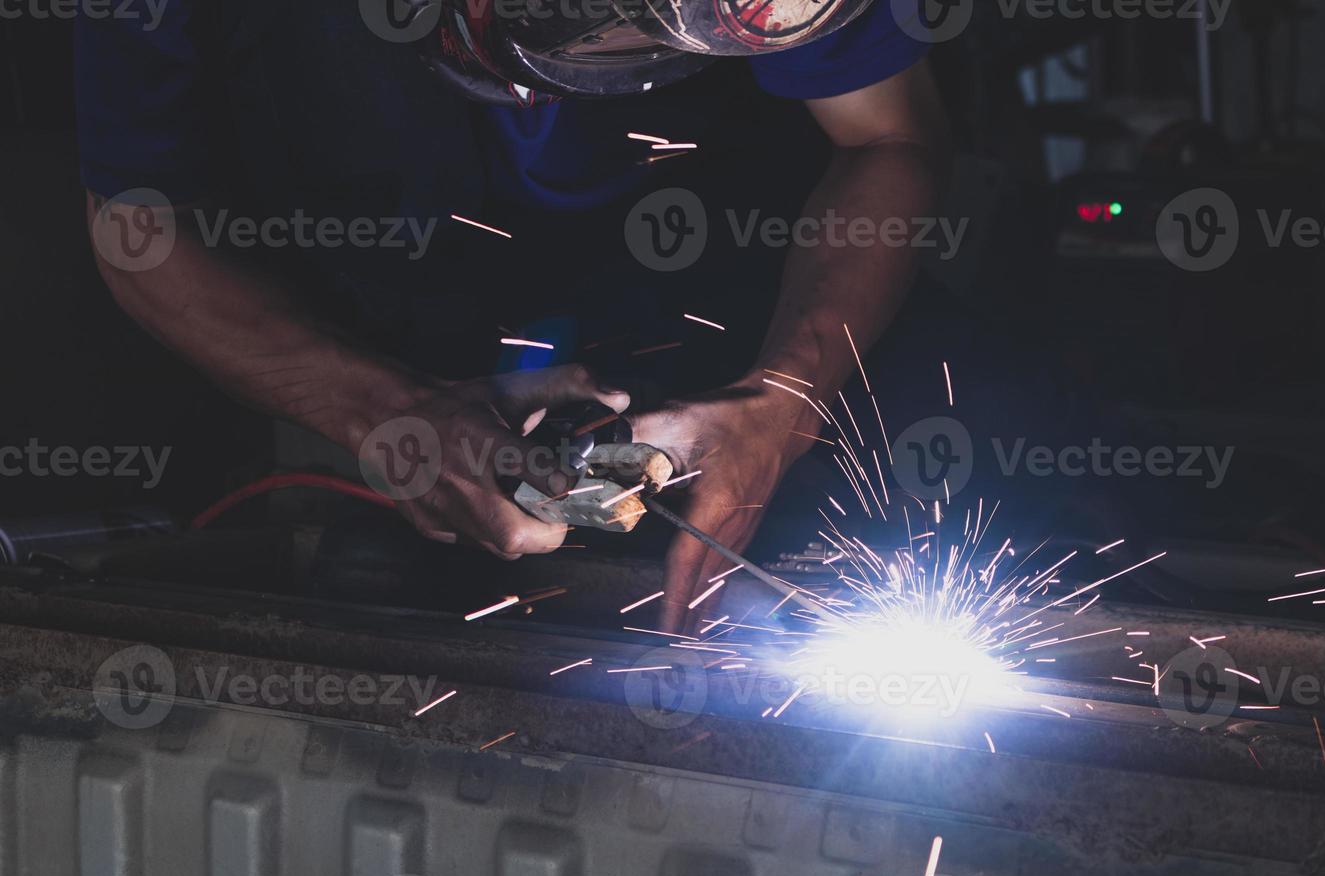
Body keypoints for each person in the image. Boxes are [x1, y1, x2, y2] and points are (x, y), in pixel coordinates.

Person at [78, 0, 950, 632]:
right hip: (366, 364)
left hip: (719, 344)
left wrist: (785, 400)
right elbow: (139, 232)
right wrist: (380, 409)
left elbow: (887, 138)